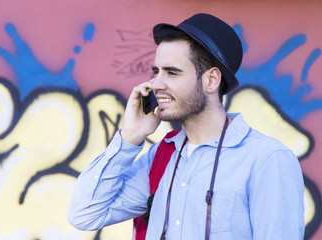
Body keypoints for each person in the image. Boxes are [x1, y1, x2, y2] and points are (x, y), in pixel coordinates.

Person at [68, 13, 305, 240]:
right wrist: (131, 136)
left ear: (211, 80)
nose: (156, 84)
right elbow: (85, 215)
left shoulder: (267, 160)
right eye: (156, 72)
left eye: (172, 73)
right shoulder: (159, 157)